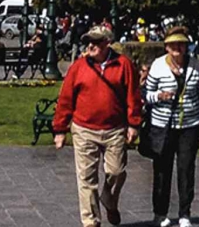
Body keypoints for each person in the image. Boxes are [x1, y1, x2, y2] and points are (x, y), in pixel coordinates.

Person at [52, 25, 141, 227]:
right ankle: (91, 221)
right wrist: (60, 129)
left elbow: (133, 97)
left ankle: (109, 199)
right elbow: (66, 99)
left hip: (115, 129)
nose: (90, 46)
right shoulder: (79, 67)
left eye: (95, 42)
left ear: (107, 43)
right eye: (88, 42)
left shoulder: (123, 65)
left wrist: (134, 124)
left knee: (117, 172)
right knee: (86, 179)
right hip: (84, 129)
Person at [143, 27, 199, 227]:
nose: (177, 48)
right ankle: (160, 213)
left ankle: (184, 213)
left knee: (186, 169)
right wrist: (159, 96)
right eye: (173, 45)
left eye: (181, 44)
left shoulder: (194, 65)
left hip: (190, 125)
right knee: (162, 170)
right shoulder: (157, 66)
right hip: (163, 125)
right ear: (166, 47)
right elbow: (146, 95)